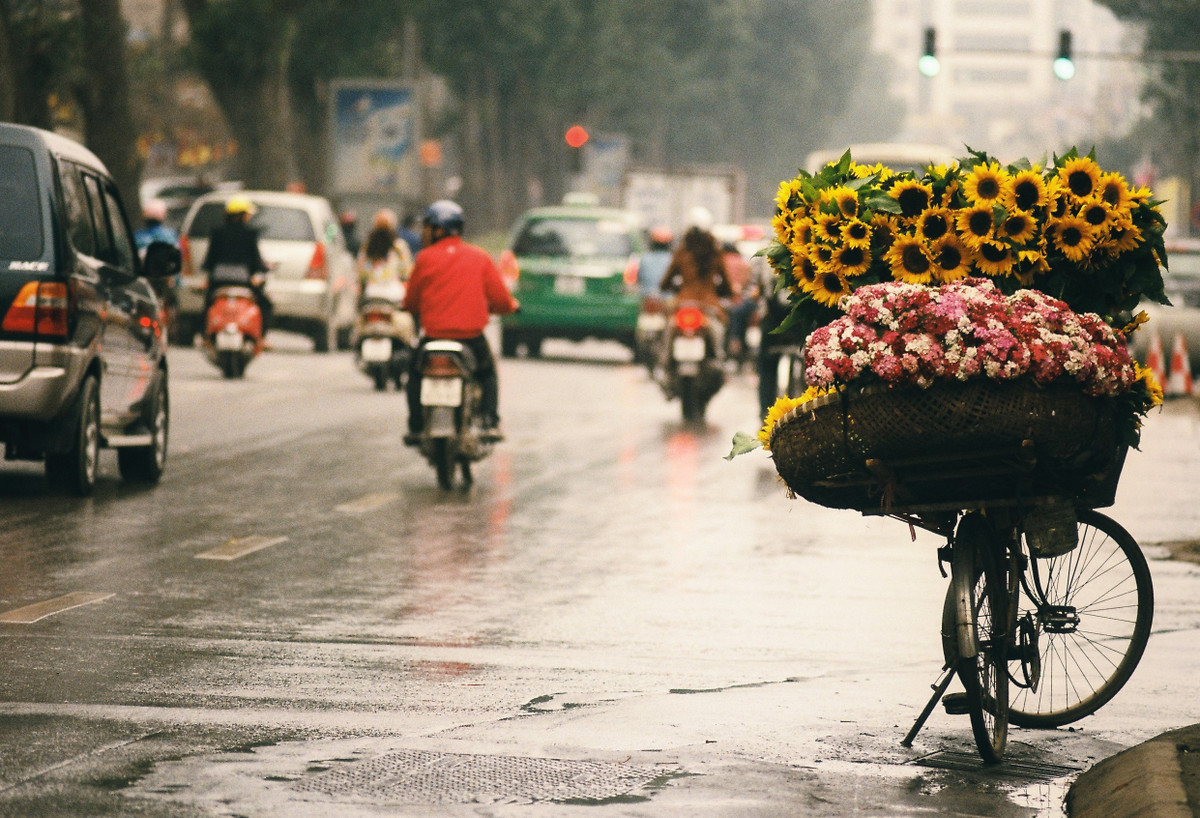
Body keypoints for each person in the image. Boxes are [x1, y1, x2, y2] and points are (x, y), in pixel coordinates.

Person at [402, 200, 518, 444]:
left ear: (439, 230)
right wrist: (510, 307)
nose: (423, 233)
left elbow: (410, 301)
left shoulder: (424, 258)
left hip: (433, 338)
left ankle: (416, 425)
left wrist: (410, 307)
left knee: (414, 374)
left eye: (427, 227)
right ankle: (489, 422)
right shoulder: (480, 257)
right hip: (471, 339)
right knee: (487, 374)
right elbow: (501, 300)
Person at [201, 195, 272, 332]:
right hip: (243, 281)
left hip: (218, 282)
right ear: (242, 215)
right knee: (264, 303)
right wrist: (264, 269)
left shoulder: (217, 233)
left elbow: (210, 260)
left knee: (208, 303)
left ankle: (205, 335)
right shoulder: (250, 234)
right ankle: (261, 337)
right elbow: (255, 261)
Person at [660, 224, 734, 352]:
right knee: (720, 331)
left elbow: (665, 282)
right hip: (709, 305)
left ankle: (664, 360)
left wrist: (674, 288)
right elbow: (726, 283)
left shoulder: (681, 253)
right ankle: (720, 357)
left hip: (683, 303)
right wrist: (724, 292)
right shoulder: (715, 255)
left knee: (668, 329)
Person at [356, 208, 412, 303]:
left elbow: (360, 272)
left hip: (371, 292)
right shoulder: (399, 246)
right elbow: (406, 271)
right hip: (394, 293)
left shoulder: (367, 246)